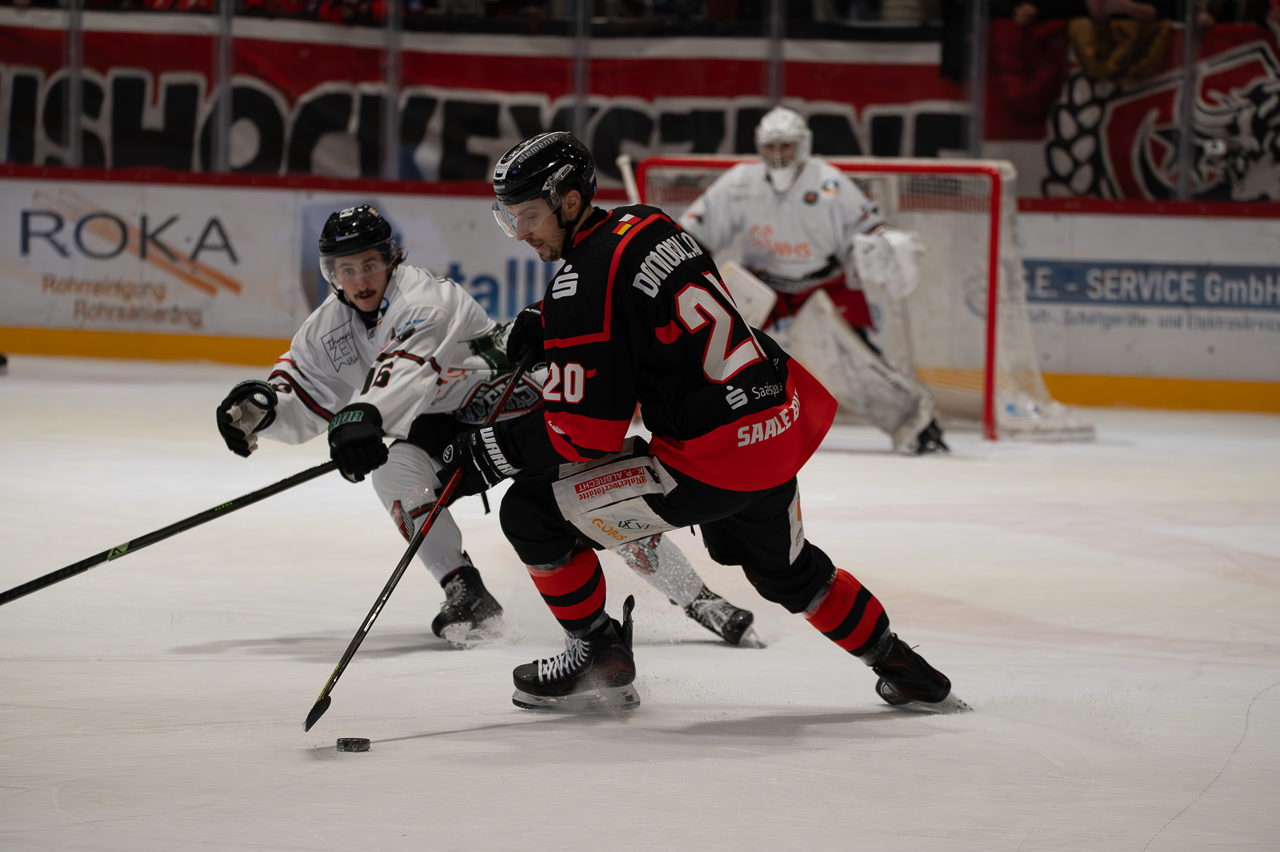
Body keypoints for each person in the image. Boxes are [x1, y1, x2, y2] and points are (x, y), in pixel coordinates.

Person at [436, 131, 961, 713]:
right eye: (510, 218)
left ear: (570, 200)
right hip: (775, 425)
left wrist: (494, 448)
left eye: (530, 215)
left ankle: (596, 653)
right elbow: (639, 308)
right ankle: (903, 667)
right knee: (789, 572)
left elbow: (586, 434)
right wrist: (551, 323)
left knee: (531, 512)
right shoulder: (648, 222)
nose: (522, 232)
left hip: (712, 458)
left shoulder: (580, 285)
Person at [214, 205, 756, 647]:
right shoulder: (327, 325)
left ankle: (698, 598)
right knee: (394, 473)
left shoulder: (426, 296)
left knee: (589, 497)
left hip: (515, 401)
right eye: (346, 269)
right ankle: (465, 591)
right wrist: (263, 408)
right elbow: (302, 385)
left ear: (391, 260)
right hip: (440, 427)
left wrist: (365, 414)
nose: (359, 279)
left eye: (369, 264)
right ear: (331, 274)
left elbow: (409, 364)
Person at [678, 106, 948, 456]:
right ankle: (704, 429)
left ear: (803, 145)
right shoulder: (739, 183)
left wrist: (883, 240)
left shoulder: (829, 181)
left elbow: (867, 225)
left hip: (823, 286)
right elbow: (695, 234)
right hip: (763, 288)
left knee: (860, 363)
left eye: (786, 146)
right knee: (722, 357)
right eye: (770, 146)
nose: (778, 154)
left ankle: (920, 425)